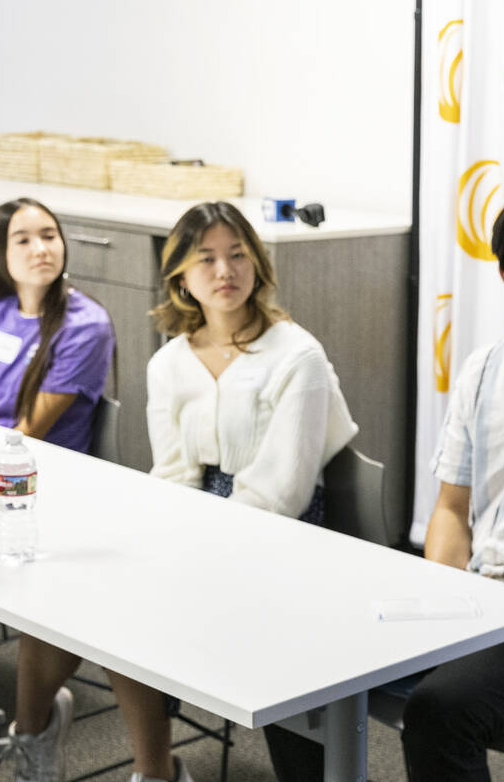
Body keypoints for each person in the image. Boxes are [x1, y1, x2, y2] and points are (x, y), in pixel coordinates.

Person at [264, 183, 504, 782]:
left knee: (440, 711)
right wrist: (444, 600)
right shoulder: (483, 369)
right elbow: (449, 510)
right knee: (300, 665)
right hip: (472, 600)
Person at [146, 200, 358, 774]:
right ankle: (155, 765)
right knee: (116, 604)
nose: (224, 271)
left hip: (283, 535)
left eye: (238, 255)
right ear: (181, 278)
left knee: (252, 628)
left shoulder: (297, 354)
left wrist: (199, 554)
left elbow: (282, 493)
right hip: (198, 526)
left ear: (258, 264)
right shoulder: (169, 363)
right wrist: (172, 545)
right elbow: (170, 477)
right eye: (206, 259)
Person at [0, 199, 123, 782]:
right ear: (1, 254)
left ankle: (29, 729)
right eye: (23, 240)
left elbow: (31, 434)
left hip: (49, 484)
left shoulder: (86, 324)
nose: (41, 249)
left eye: (49, 235)